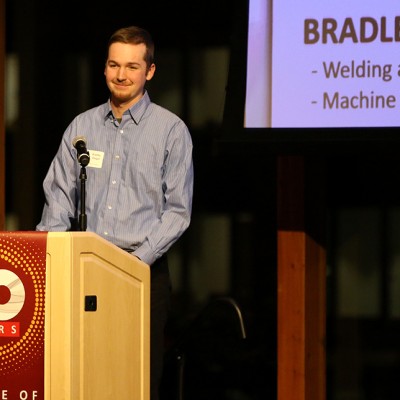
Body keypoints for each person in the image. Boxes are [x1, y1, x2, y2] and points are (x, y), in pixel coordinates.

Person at [36, 25, 194, 400]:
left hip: (143, 271)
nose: (121, 75)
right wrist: (47, 263)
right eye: (113, 65)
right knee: (81, 376)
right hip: (83, 272)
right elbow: (58, 198)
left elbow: (178, 211)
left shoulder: (171, 130)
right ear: (104, 68)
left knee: (133, 380)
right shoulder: (82, 127)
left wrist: (134, 266)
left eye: (132, 66)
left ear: (149, 71)